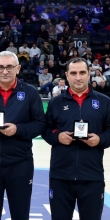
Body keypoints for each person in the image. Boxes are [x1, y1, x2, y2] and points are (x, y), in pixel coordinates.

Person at [0, 51, 46, 219]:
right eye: (1, 67)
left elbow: (40, 124)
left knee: (20, 215)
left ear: (18, 69)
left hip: (20, 164)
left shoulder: (30, 92)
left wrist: (17, 130)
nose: (5, 71)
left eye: (9, 67)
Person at [42, 57, 110, 220]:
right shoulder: (56, 103)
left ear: (89, 74)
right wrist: (58, 136)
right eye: (73, 73)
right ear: (66, 75)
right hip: (60, 176)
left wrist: (99, 140)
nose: (78, 77)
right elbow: (45, 130)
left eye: (82, 73)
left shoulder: (104, 102)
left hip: (92, 176)